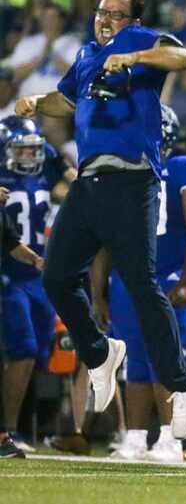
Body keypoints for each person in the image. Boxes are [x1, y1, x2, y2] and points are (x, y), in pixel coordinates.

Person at [13, 0, 186, 441]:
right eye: (102, 12)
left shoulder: (137, 40)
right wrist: (38, 103)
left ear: (134, 20)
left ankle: (182, 384)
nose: (105, 20)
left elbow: (184, 57)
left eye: (116, 14)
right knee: (57, 276)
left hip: (133, 179)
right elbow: (68, 99)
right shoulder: (83, 54)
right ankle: (99, 354)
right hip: (89, 179)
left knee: (141, 283)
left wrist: (134, 56)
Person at [94, 105, 186, 463]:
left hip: (169, 276)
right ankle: (134, 437)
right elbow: (104, 241)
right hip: (130, 279)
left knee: (165, 358)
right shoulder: (120, 170)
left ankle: (170, 440)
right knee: (136, 362)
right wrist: (98, 294)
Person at [0, 115, 74, 454]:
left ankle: (18, 429)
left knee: (38, 355)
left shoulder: (45, 166)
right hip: (7, 275)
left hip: (36, 273)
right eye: (22, 151)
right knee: (24, 349)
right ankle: (8, 431)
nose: (30, 157)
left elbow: (73, 182)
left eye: (33, 151)